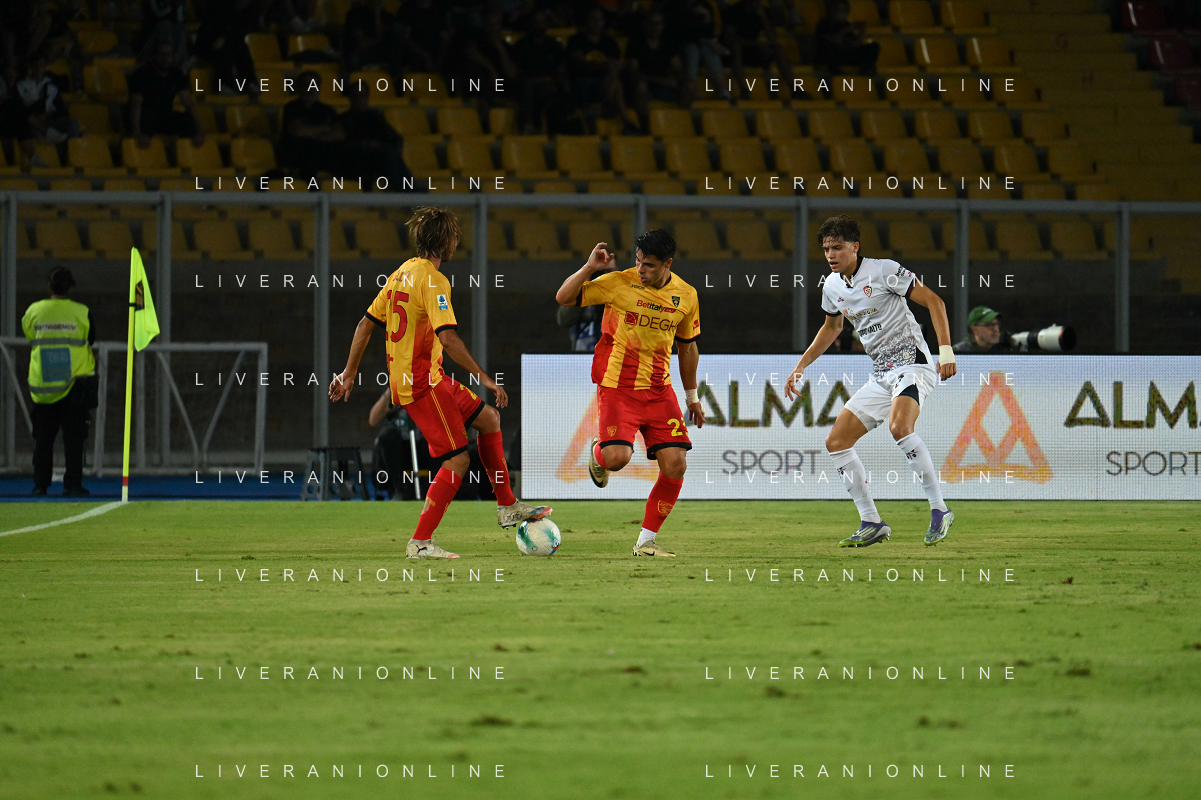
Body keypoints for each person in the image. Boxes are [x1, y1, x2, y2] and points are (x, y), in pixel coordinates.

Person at [329, 207, 550, 559]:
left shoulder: (401, 273)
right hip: (421, 384)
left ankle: (507, 506)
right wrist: (485, 378)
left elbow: (364, 325)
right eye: (455, 235)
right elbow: (448, 339)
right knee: (457, 461)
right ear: (445, 240)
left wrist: (348, 373)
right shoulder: (433, 280)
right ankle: (420, 542)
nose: (457, 241)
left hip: (429, 377)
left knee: (489, 419)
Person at [783, 215, 957, 548]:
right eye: (826, 249)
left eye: (837, 247)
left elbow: (935, 301)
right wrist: (800, 366)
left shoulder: (883, 270)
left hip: (913, 365)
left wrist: (945, 351)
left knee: (900, 427)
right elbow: (832, 328)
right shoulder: (832, 287)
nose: (831, 255)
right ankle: (872, 522)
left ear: (855, 247)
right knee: (836, 442)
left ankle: (940, 509)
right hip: (881, 376)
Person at [554, 230, 704, 557]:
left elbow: (688, 348)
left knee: (676, 465)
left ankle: (645, 542)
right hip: (617, 387)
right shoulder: (619, 282)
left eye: (649, 265)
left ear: (667, 263)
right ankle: (599, 451)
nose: (641, 270)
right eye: (638, 261)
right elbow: (564, 298)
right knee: (617, 459)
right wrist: (589, 268)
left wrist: (692, 397)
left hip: (659, 390)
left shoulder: (686, 295)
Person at [23, 267, 97, 497]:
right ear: (70, 286)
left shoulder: (34, 311)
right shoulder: (82, 312)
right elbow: (91, 338)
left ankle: (40, 485)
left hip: (44, 384)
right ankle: (72, 485)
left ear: (49, 285)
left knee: (43, 438)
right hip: (75, 384)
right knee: (74, 438)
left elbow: (29, 335)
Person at [128, 41, 205, 148]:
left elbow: (188, 103)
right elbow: (135, 105)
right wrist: (137, 132)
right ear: (154, 56)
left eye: (168, 54)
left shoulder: (176, 74)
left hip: (163, 116)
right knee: (147, 119)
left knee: (186, 119)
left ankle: (185, 151)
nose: (165, 58)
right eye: (161, 54)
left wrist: (199, 130)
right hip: (145, 117)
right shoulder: (141, 74)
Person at [277, 69, 342, 180]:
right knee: (310, 150)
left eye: (314, 85)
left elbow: (338, 134)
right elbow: (298, 131)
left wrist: (311, 131)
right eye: (306, 85)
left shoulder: (328, 110)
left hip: (323, 152)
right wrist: (325, 129)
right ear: (298, 88)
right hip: (298, 153)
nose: (310, 89)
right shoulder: (291, 107)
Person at [814, 0, 879, 75]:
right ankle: (835, 72)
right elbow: (829, 42)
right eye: (841, 11)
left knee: (874, 46)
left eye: (846, 10)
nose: (845, 14)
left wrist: (861, 32)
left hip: (845, 54)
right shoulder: (824, 24)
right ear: (833, 11)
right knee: (829, 48)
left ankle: (865, 70)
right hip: (833, 56)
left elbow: (855, 45)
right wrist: (845, 31)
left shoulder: (846, 24)